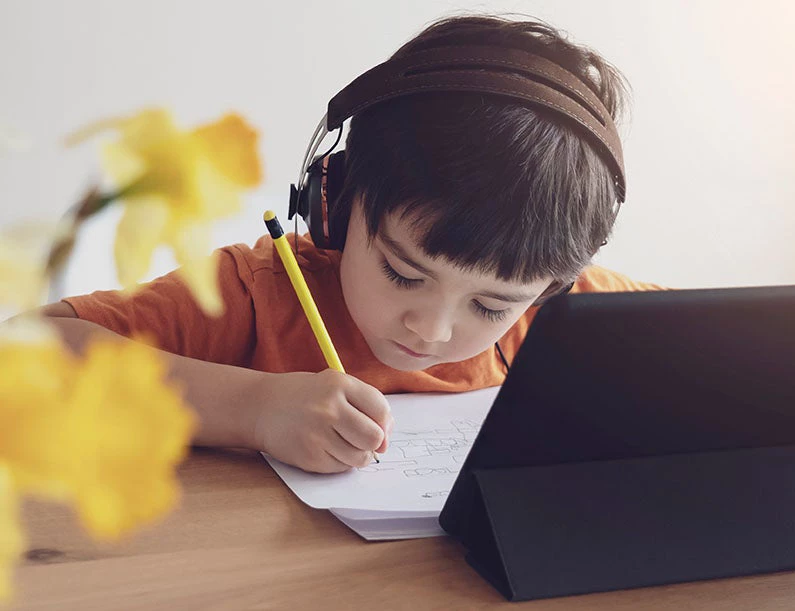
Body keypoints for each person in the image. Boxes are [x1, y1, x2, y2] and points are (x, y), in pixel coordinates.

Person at [38, 15, 660, 474]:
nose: (433, 329)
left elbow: (730, 337)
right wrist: (253, 408)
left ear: (551, 288)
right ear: (331, 202)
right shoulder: (258, 294)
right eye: (403, 273)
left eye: (492, 307)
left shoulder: (557, 319)